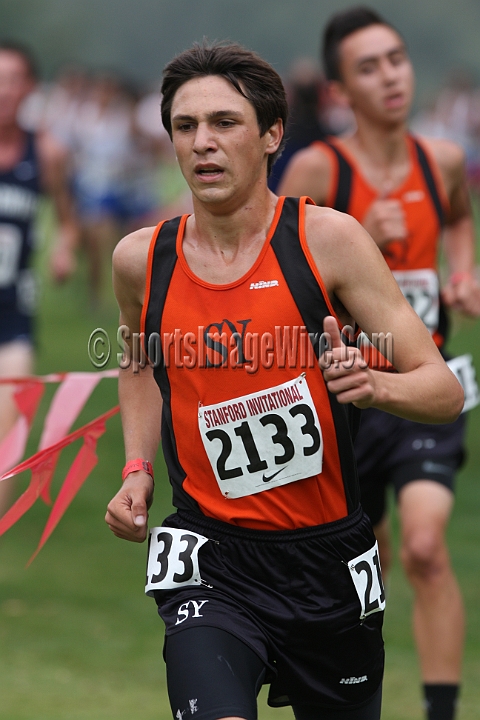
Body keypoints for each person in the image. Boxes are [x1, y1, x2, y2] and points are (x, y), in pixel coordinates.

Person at [105, 40, 463, 720]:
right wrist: (135, 468)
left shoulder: (326, 241)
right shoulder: (139, 260)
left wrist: (374, 386)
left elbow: (441, 391)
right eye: (186, 127)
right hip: (211, 559)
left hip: (327, 562)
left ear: (272, 135)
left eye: (225, 123)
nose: (203, 144)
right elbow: (138, 361)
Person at [278, 8, 480, 720]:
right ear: (339, 90)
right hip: (346, 393)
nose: (391, 75)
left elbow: (457, 215)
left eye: (395, 58)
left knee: (426, 545)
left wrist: (465, 270)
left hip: (425, 381)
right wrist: (369, 236)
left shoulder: (444, 159)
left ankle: (442, 711)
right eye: (369, 67)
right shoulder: (316, 168)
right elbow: (284, 271)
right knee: (371, 561)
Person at [0, 41, 78, 513]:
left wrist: (64, 249)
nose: (3, 90)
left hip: (12, 318)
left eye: (12, 80)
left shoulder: (46, 152)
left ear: (29, 87)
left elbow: (68, 220)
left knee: (9, 427)